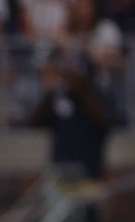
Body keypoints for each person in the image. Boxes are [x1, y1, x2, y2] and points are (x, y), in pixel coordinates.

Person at [29, 50, 113, 181]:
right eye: (69, 75)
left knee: (87, 201)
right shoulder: (59, 97)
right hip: (61, 168)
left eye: (76, 74)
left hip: (90, 170)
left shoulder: (98, 97)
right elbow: (34, 123)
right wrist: (51, 93)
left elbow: (106, 123)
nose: (71, 79)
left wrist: (82, 94)